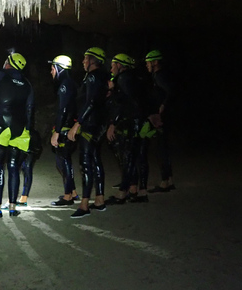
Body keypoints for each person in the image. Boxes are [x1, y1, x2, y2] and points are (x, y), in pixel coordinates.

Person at [0, 52, 35, 218]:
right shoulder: (27, 83)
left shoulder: (0, 75)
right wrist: (30, 131)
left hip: (2, 127)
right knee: (13, 167)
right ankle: (12, 207)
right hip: (21, 130)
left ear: (8, 63)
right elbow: (30, 109)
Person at [106, 54, 155, 205]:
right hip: (142, 122)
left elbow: (124, 103)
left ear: (120, 65)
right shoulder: (137, 78)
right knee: (140, 157)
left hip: (131, 123)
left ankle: (123, 193)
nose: (111, 68)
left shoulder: (123, 79)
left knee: (128, 158)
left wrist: (113, 123)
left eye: (114, 65)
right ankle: (140, 191)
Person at [67, 47, 109, 218]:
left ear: (93, 61)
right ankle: (99, 199)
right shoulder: (103, 77)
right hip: (99, 125)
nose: (83, 61)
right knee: (96, 160)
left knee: (86, 164)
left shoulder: (92, 76)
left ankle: (84, 204)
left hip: (90, 125)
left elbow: (90, 102)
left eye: (85, 59)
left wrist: (78, 124)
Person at [48, 55, 79, 206]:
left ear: (59, 68)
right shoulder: (71, 83)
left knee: (63, 161)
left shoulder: (64, 85)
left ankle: (68, 196)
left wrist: (57, 131)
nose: (51, 71)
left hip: (66, 128)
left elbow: (63, 109)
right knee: (64, 161)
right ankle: (72, 192)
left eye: (52, 68)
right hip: (70, 125)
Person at [145, 50, 176, 193]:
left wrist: (163, 105)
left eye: (148, 62)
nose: (146, 65)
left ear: (155, 62)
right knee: (163, 148)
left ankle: (165, 182)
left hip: (162, 117)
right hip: (166, 116)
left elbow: (171, 91)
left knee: (161, 149)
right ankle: (169, 180)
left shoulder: (159, 76)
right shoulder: (160, 75)